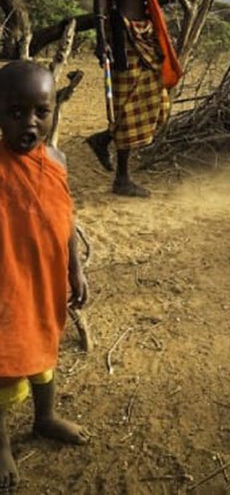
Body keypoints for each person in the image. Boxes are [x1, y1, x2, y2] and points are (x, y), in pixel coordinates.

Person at [0, 61, 89, 490]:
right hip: (7, 286)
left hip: (46, 281)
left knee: (45, 347)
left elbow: (64, 218)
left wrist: (75, 268)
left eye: (41, 111)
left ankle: (45, 417)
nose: (30, 123)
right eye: (15, 112)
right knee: (4, 361)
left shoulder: (57, 159)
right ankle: (0, 444)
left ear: (54, 110)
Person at [88, 0, 185, 197]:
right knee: (128, 105)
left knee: (159, 102)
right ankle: (122, 179)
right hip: (123, 35)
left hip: (146, 35)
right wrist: (101, 35)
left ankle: (104, 139)